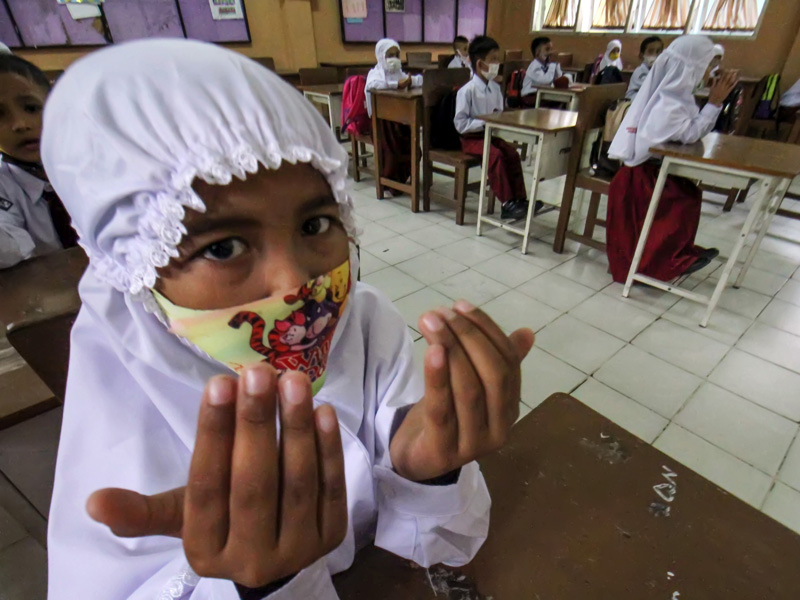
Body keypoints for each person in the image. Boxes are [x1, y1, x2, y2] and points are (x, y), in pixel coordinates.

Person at [43, 39, 535, 599]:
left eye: (315, 226)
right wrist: (253, 583)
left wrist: (423, 468)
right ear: (135, 268)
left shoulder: (362, 320)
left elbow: (431, 550)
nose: (293, 284)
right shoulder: (122, 396)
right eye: (224, 247)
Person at [606, 35, 739, 284]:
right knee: (682, 200)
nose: (710, 71)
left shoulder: (675, 97)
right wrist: (714, 103)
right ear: (690, 69)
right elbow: (689, 133)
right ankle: (663, 261)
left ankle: (675, 253)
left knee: (688, 193)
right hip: (640, 179)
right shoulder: (668, 105)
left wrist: (712, 103)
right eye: (707, 65)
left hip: (649, 172)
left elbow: (686, 133)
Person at [0, 53, 76, 269]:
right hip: (49, 294)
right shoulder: (3, 185)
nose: (20, 124)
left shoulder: (89, 160)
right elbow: (10, 248)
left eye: (32, 108)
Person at [455, 36, 539, 221]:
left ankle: (520, 199)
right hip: (472, 139)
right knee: (496, 156)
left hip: (491, 135)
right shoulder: (467, 91)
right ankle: (507, 203)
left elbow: (499, 113)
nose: (497, 63)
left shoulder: (494, 88)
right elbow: (460, 124)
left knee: (511, 154)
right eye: (493, 59)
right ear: (479, 64)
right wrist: (485, 122)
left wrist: (499, 121)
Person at [366, 38, 422, 195]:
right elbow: (373, 86)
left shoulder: (399, 73)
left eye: (397, 55)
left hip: (400, 120)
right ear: (381, 56)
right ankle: (390, 181)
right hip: (382, 123)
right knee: (393, 150)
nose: (394, 59)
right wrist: (396, 85)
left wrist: (411, 81)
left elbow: (414, 80)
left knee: (412, 146)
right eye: (390, 55)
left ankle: (401, 179)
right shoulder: (375, 74)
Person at [626, 36, 663, 101]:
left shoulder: (660, 70)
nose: (655, 55)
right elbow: (652, 88)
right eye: (651, 51)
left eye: (658, 51)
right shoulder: (640, 72)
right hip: (634, 102)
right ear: (641, 56)